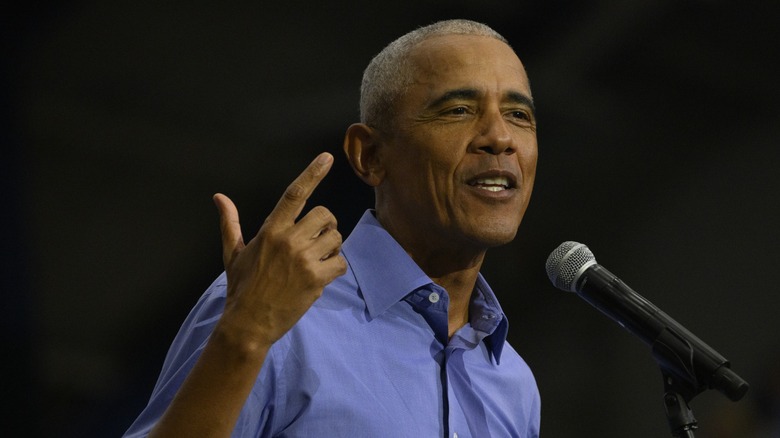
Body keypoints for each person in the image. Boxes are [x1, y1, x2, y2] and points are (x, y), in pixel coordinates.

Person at [124, 19, 540, 437]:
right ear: (370, 155)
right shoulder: (270, 309)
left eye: (519, 114)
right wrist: (245, 334)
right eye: (459, 110)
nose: (500, 137)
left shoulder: (514, 385)